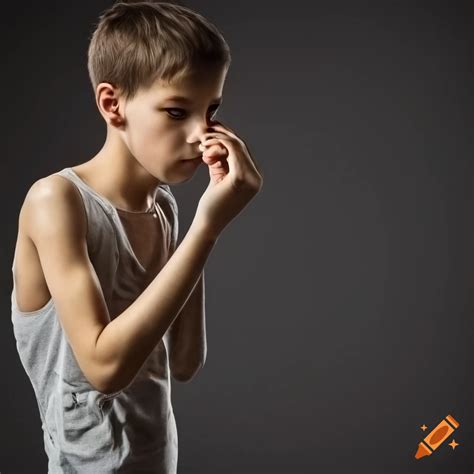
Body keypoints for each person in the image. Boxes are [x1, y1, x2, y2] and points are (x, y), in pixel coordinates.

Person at [10, 1, 263, 472]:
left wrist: (202, 223)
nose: (199, 133)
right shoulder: (57, 201)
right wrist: (207, 226)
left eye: (211, 110)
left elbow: (186, 361)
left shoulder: (163, 206)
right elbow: (104, 369)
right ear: (113, 104)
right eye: (175, 111)